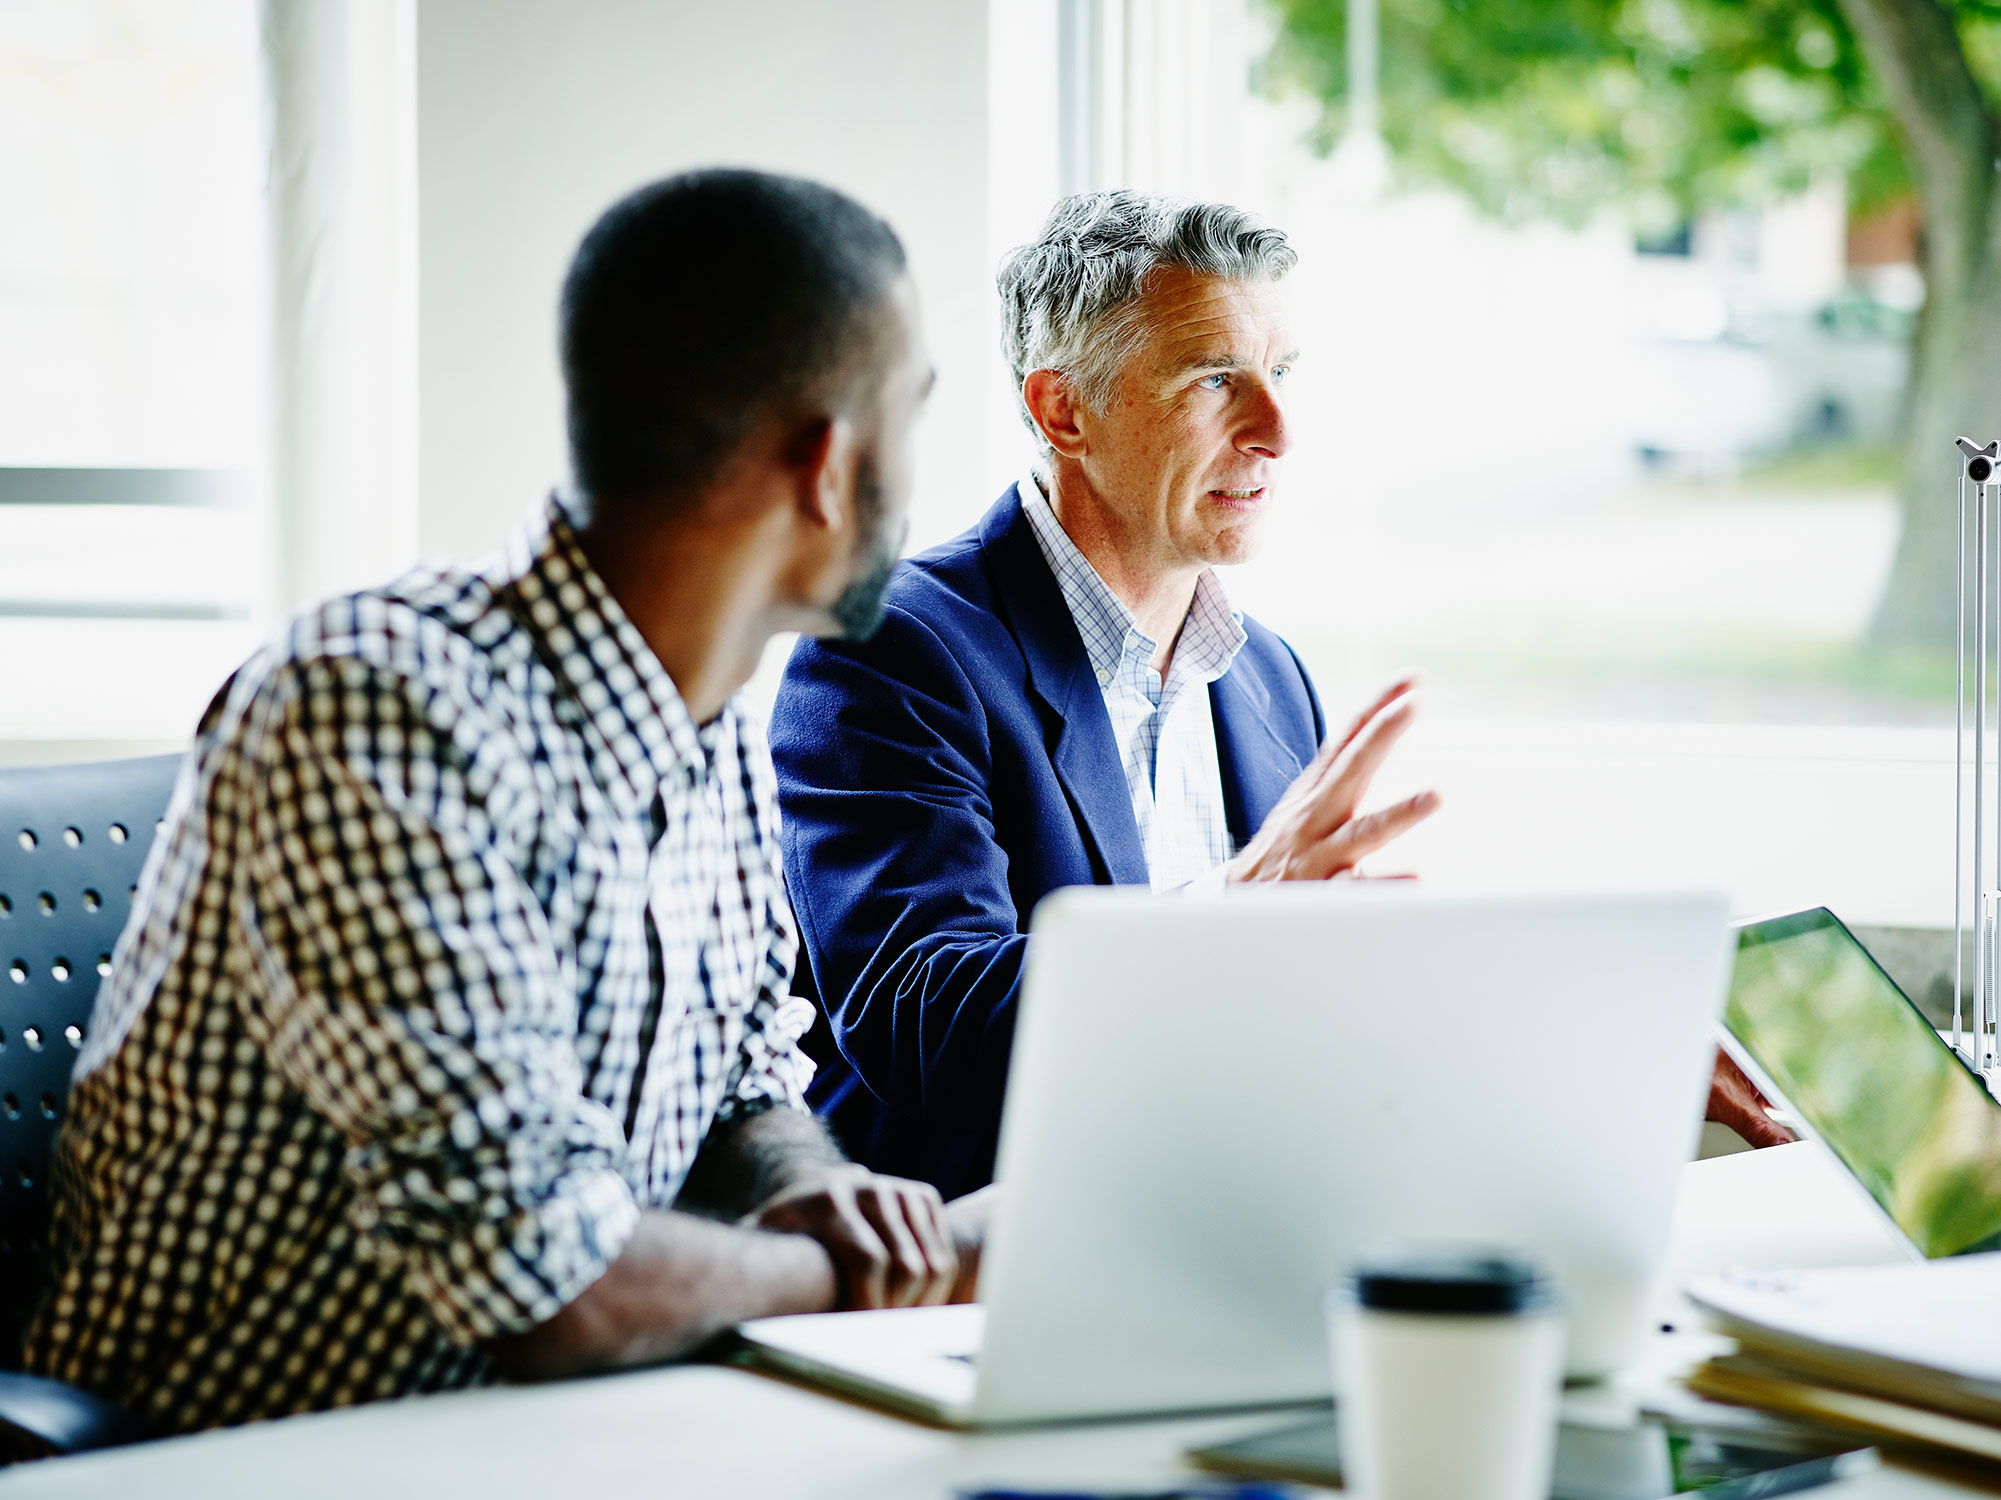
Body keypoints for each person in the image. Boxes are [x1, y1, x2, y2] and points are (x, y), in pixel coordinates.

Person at [25, 169, 980, 1436]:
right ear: (826, 464)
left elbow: (744, 1082)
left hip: (576, 1434)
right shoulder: (379, 711)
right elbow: (542, 1280)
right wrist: (901, 1272)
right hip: (260, 1452)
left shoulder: (717, 729)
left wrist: (822, 1192)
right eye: (914, 414)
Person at [770, 190, 1791, 1202]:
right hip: (967, 1283)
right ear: (1063, 410)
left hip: (1234, 1243)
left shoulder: (1266, 678)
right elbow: (926, 1028)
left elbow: (1329, 1004)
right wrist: (1231, 916)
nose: (1279, 430)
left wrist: (1595, 1044)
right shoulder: (896, 650)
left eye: (1283, 373)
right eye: (1217, 379)